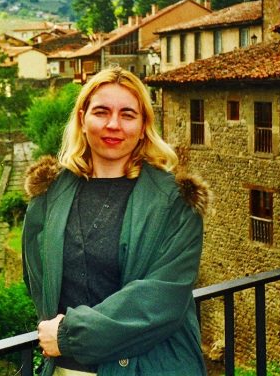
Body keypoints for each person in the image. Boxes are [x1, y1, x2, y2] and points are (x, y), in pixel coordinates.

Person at [22, 67, 211, 376]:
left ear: (143, 125)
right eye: (101, 112)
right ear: (82, 119)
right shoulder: (49, 195)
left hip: (151, 368)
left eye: (127, 114)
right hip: (66, 369)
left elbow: (160, 300)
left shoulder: (175, 202)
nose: (113, 124)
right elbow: (36, 280)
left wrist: (70, 334)